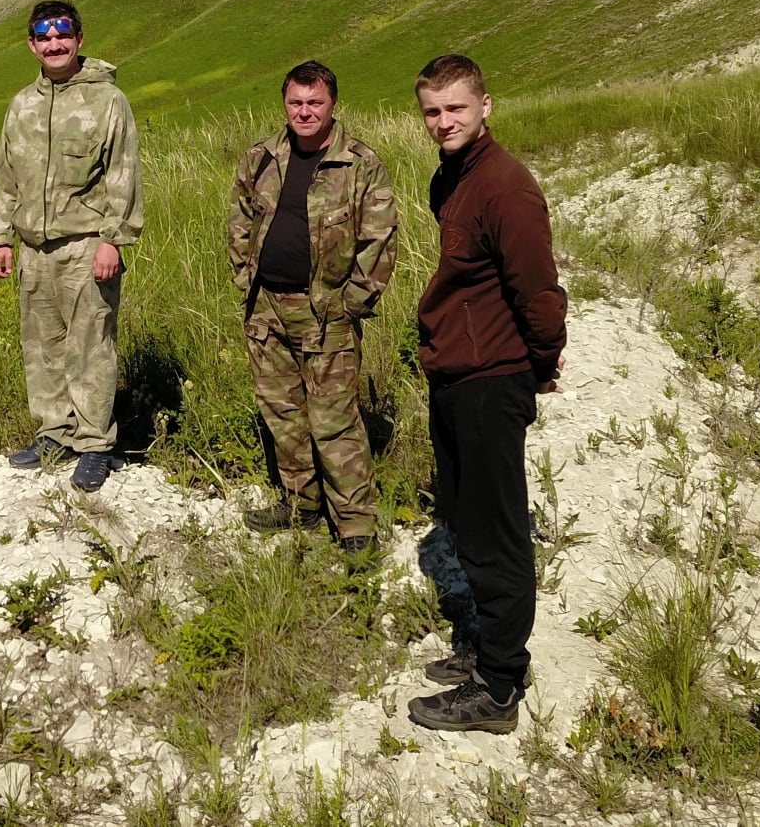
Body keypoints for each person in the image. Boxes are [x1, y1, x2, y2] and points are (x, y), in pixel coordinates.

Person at [407, 53, 566, 735]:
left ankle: (500, 687)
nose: (444, 122)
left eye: (456, 109)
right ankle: (487, 648)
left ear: (485, 106)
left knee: (499, 533)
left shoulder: (506, 186)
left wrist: (538, 363)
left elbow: (540, 293)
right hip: (457, 373)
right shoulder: (455, 176)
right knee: (467, 520)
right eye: (433, 112)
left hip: (490, 378)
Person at [227, 60, 397, 555]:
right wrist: (245, 277)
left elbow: (379, 237)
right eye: (296, 102)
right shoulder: (262, 158)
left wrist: (353, 302)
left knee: (333, 420)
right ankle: (301, 504)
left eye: (315, 102)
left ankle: (355, 526)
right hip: (266, 308)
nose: (305, 112)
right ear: (285, 104)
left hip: (327, 311)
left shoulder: (360, 163)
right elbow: (240, 218)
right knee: (282, 412)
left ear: (333, 105)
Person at [0, 0, 143, 493]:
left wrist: (113, 240)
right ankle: (54, 434)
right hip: (34, 247)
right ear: (32, 44)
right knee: (43, 346)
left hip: (86, 244)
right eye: (44, 37)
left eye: (63, 35)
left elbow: (123, 174)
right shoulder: (22, 104)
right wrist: (0, 237)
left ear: (79, 39)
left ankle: (95, 444)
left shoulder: (107, 102)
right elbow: (4, 175)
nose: (54, 45)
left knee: (90, 346)